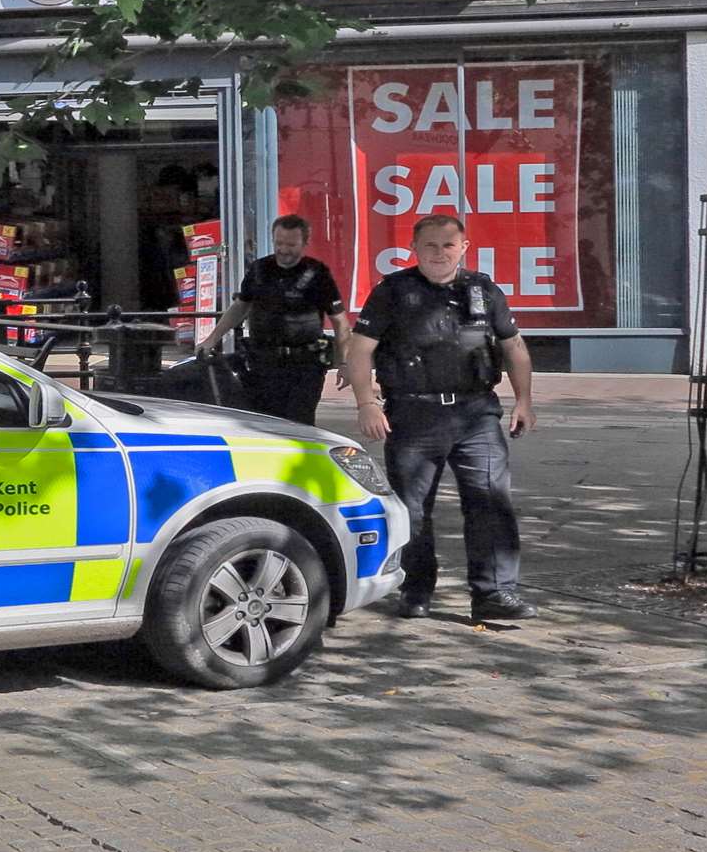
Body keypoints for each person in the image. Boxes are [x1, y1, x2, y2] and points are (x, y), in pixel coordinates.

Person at [345, 214, 538, 622]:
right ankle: (415, 590)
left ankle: (494, 594)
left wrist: (524, 401)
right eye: (430, 245)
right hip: (414, 414)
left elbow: (514, 346)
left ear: (463, 248)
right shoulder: (392, 292)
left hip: (476, 414)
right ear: (414, 248)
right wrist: (367, 403)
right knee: (413, 510)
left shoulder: (483, 290)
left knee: (490, 502)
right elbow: (360, 350)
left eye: (448, 245)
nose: (439, 253)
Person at [197, 215, 349, 425]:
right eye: (279, 243)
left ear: (305, 243)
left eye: (291, 244)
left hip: (303, 367)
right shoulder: (259, 269)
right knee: (263, 424)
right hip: (263, 363)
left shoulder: (317, 274)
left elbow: (340, 322)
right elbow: (240, 306)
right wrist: (211, 339)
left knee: (299, 425)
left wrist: (344, 363)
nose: (284, 250)